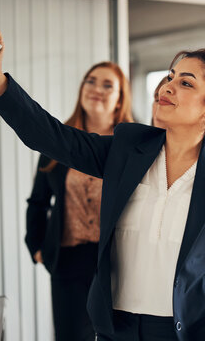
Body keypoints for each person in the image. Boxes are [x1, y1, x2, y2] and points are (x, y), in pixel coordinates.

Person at [0, 30, 205, 341]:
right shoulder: (127, 148)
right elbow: (53, 137)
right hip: (118, 329)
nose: (167, 87)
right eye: (170, 77)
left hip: (193, 331)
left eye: (185, 83)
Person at [26, 62, 133, 341]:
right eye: (90, 81)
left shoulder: (134, 146)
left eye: (108, 85)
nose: (97, 89)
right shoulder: (57, 142)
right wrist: (36, 246)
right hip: (67, 261)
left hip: (118, 262)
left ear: (120, 98)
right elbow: (38, 201)